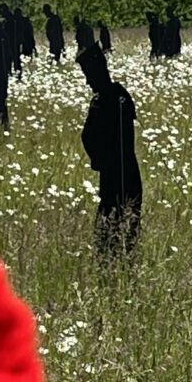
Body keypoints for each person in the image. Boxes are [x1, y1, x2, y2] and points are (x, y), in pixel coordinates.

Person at [77, 42, 143, 255]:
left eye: (89, 75)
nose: (88, 81)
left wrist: (99, 158)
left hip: (119, 174)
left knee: (113, 230)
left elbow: (91, 136)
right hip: (119, 173)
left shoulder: (108, 100)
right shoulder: (115, 96)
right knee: (116, 230)